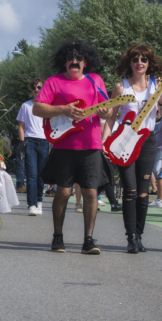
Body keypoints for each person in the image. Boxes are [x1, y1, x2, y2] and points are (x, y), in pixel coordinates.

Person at [34, 39, 109, 255]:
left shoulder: (96, 81)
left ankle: (88, 240)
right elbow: (38, 109)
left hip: (91, 145)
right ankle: (58, 237)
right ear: (64, 62)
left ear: (86, 62)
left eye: (79, 58)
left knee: (91, 192)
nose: (74, 61)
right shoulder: (53, 82)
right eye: (70, 58)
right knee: (64, 192)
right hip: (64, 145)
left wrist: (106, 112)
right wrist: (63, 110)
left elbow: (109, 111)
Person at [103, 44, 162, 253]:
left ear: (149, 63)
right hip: (125, 139)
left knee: (143, 193)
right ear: (129, 63)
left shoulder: (155, 85)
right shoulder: (121, 87)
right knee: (129, 191)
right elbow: (111, 117)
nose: (139, 63)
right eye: (135, 59)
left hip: (148, 140)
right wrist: (104, 142)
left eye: (143, 59)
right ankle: (130, 237)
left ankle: (139, 235)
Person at [17, 78, 49, 216]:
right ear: (31, 90)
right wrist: (23, 143)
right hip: (30, 141)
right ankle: (32, 205)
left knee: (41, 175)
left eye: (39, 87)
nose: (36, 90)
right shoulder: (26, 106)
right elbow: (21, 127)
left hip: (44, 141)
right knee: (31, 175)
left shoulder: (48, 105)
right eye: (34, 88)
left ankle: (39, 201)